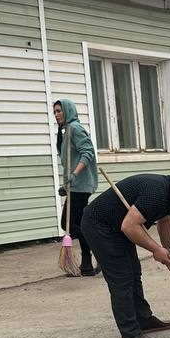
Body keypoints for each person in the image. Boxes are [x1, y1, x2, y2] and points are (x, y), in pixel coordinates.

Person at [80, 168, 170, 338]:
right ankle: (130, 333)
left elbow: (165, 219)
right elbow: (129, 226)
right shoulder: (155, 192)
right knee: (121, 278)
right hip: (100, 226)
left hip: (118, 227)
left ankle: (144, 320)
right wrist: (156, 250)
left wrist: (165, 248)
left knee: (134, 272)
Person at [53, 98, 99, 276]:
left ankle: (99, 252)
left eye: (59, 111)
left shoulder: (75, 129)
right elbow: (68, 161)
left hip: (81, 185)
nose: (56, 115)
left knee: (69, 222)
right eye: (55, 112)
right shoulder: (66, 131)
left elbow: (88, 153)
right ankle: (87, 264)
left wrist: (75, 175)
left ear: (68, 111)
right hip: (75, 185)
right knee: (80, 223)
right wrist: (66, 184)